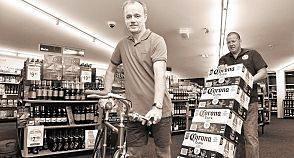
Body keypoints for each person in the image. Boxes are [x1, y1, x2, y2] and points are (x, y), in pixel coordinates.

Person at [86, 0, 172, 157]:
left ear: (145, 17)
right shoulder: (122, 45)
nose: (133, 20)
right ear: (125, 19)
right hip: (134, 111)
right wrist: (106, 93)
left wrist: (157, 107)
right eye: (129, 16)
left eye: (137, 15)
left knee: (162, 152)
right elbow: (111, 69)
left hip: (161, 110)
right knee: (133, 153)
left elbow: (160, 75)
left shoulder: (157, 41)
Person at [219, 32, 268, 158]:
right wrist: (221, 72)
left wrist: (247, 80)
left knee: (250, 136)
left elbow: (263, 73)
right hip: (231, 105)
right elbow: (220, 80)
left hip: (250, 102)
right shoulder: (224, 59)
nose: (231, 44)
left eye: (233, 41)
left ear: (240, 41)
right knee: (236, 138)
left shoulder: (252, 54)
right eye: (228, 42)